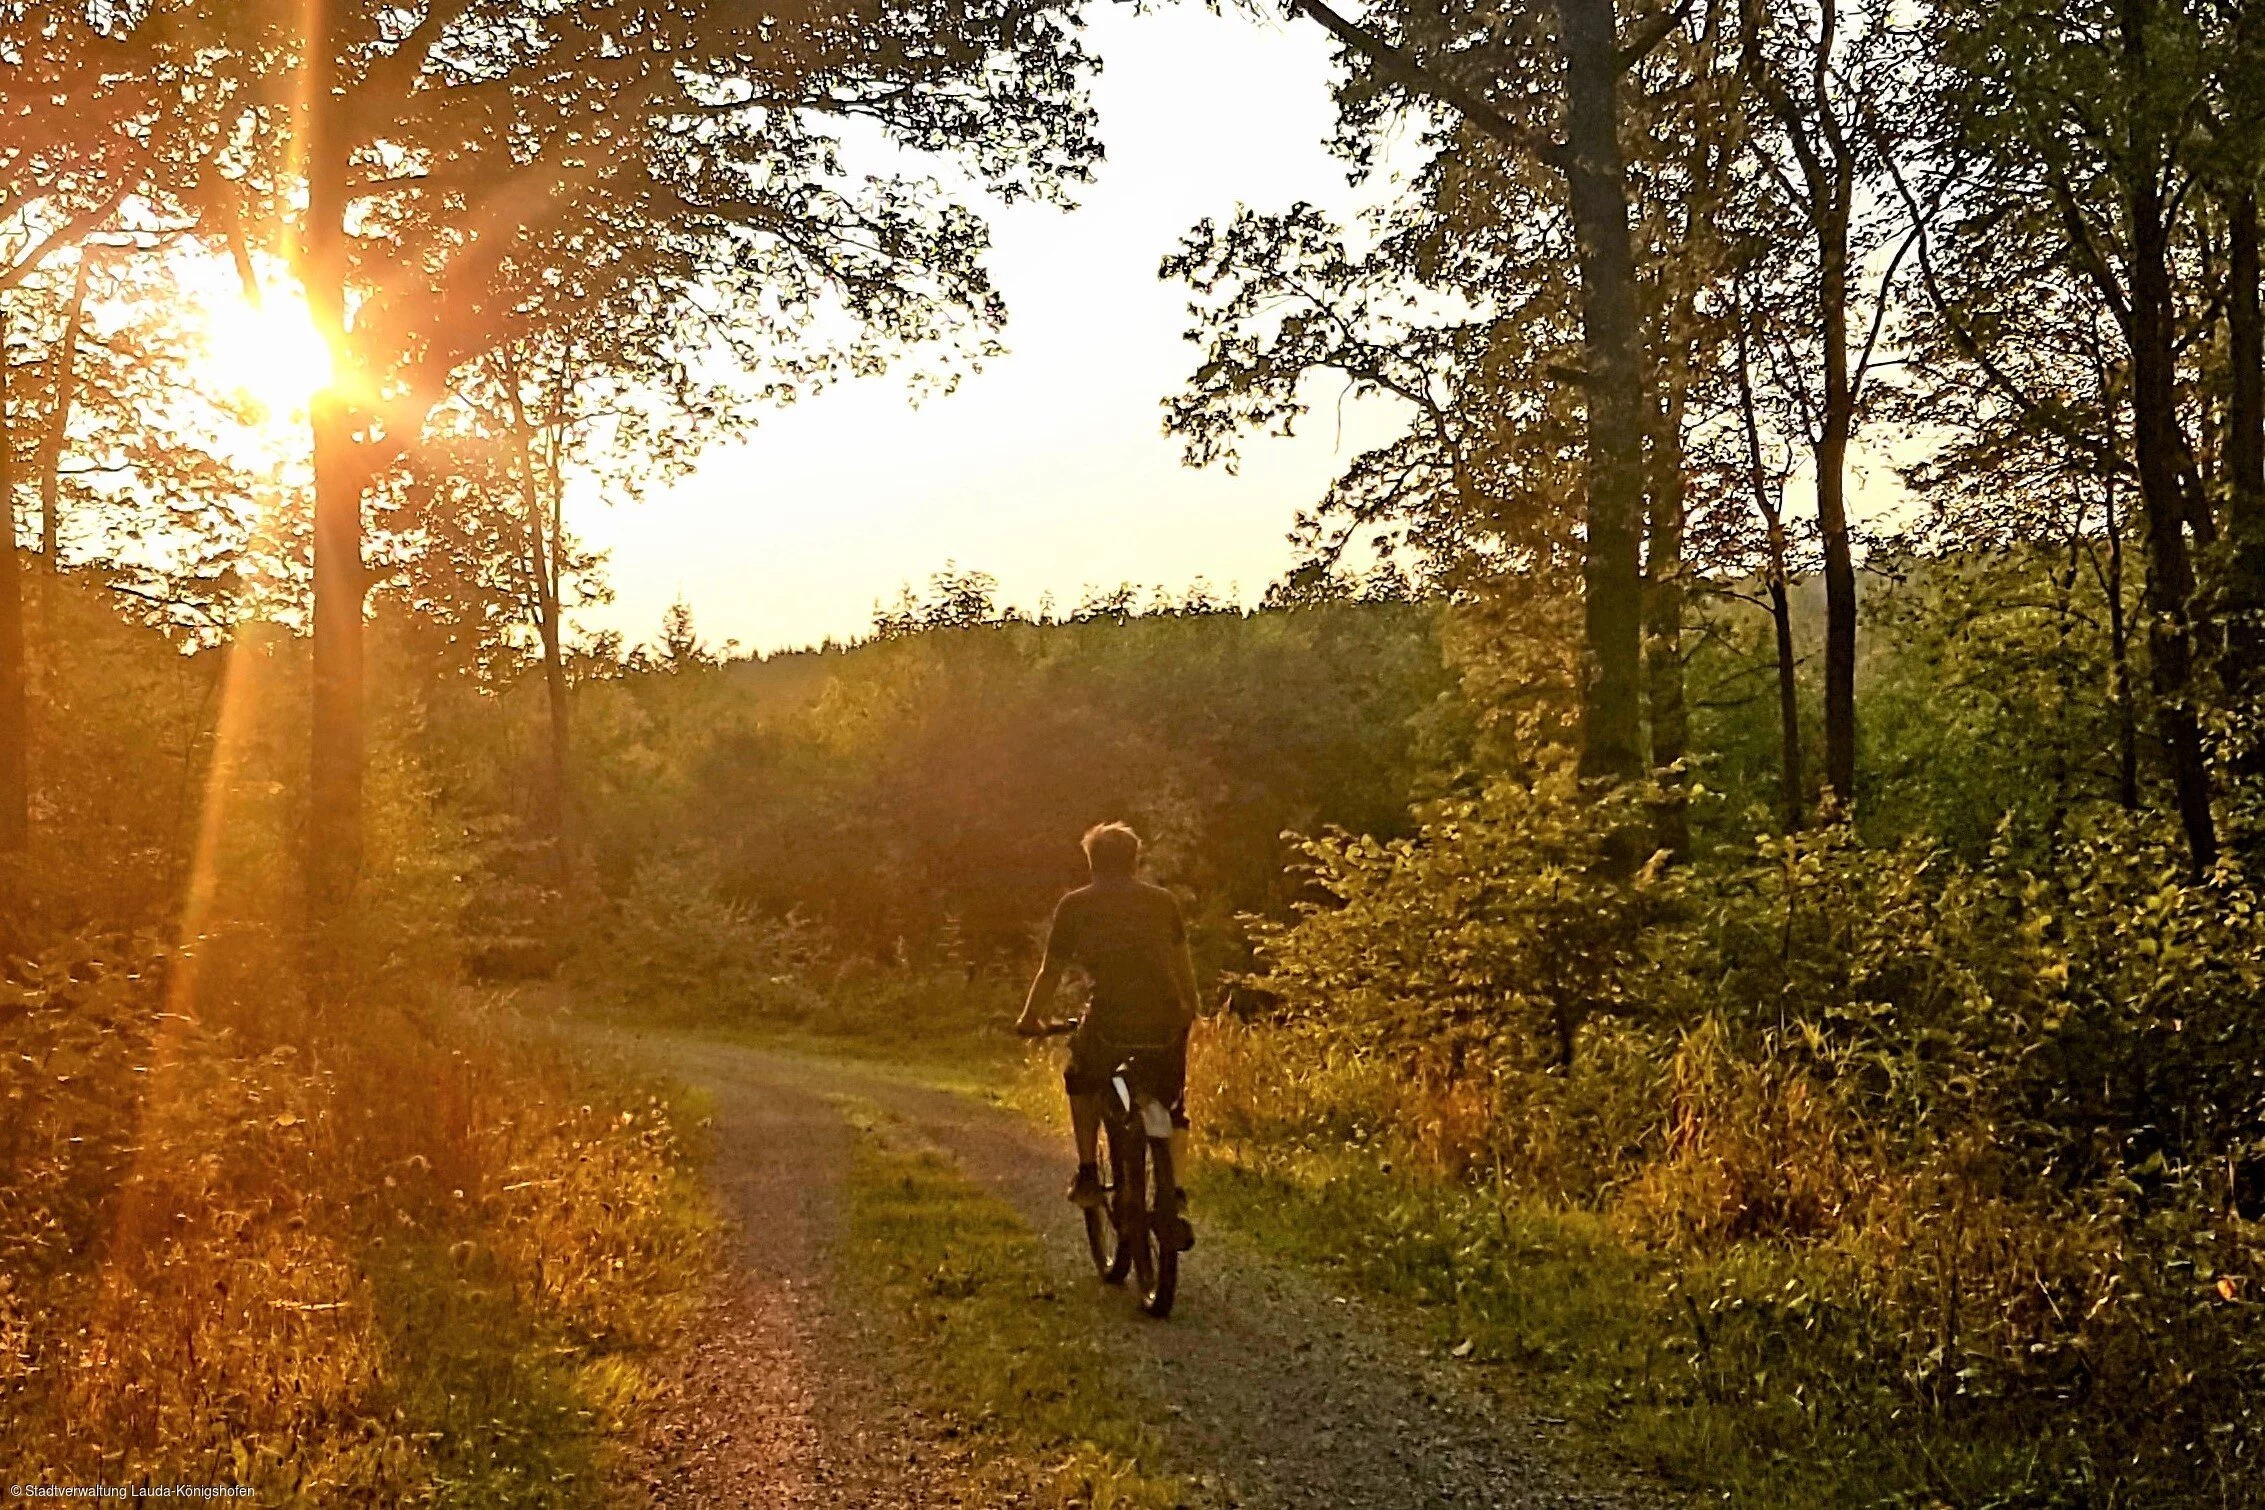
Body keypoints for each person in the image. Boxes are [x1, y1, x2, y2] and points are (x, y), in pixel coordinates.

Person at [1013, 821, 1198, 1249]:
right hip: (1165, 1022)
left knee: (1081, 1077)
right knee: (1173, 1106)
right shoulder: (1163, 902)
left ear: (1091, 861)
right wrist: (1190, 1012)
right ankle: (1174, 1191)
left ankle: (1089, 1173)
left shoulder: (1076, 905)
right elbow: (1182, 966)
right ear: (1135, 860)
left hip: (1111, 1021)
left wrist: (1030, 1020)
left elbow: (1051, 972)